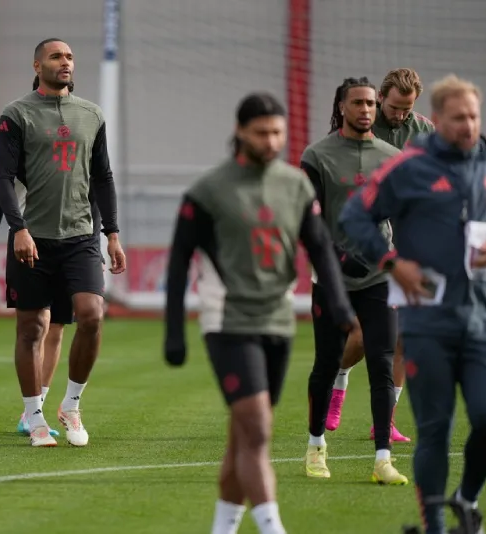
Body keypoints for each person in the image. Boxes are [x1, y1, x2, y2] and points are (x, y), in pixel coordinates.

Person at [164, 92, 355, 534]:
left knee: (243, 435)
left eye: (278, 133)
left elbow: (320, 248)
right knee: (258, 430)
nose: (271, 141)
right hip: (228, 323)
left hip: (277, 320)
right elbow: (177, 264)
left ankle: (222, 528)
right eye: (261, 132)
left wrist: (342, 305)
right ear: (240, 132)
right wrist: (174, 333)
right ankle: (273, 527)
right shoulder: (208, 191)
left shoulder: (296, 186)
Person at [341, 74, 486, 534]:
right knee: (435, 427)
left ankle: (466, 500)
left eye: (474, 116)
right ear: (438, 118)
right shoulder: (407, 168)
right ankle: (433, 524)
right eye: (458, 117)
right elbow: (356, 216)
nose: (468, 125)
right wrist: (391, 262)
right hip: (428, 321)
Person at [0, 38, 126, 447]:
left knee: (92, 315)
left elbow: (102, 177)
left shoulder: (91, 115)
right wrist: (18, 228)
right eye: (56, 56)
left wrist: (113, 234)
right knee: (31, 327)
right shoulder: (16, 114)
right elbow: (2, 179)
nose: (65, 61)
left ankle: (70, 405)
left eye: (69, 56)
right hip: (32, 238)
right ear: (37, 65)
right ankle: (34, 417)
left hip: (81, 238)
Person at [301, 77, 408, 485]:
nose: (366, 110)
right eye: (358, 103)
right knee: (326, 364)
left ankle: (382, 458)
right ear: (342, 107)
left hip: (379, 276)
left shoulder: (392, 157)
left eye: (369, 103)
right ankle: (315, 447)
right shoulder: (317, 155)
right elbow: (305, 219)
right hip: (331, 277)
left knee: (381, 364)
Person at [327, 68, 435, 442]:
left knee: (405, 337)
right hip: (366, 241)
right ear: (381, 98)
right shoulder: (359, 128)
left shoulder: (424, 132)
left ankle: (384, 421)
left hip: (410, 241)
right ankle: (334, 383)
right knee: (359, 334)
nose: (400, 115)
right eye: (395, 107)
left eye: (408, 110)